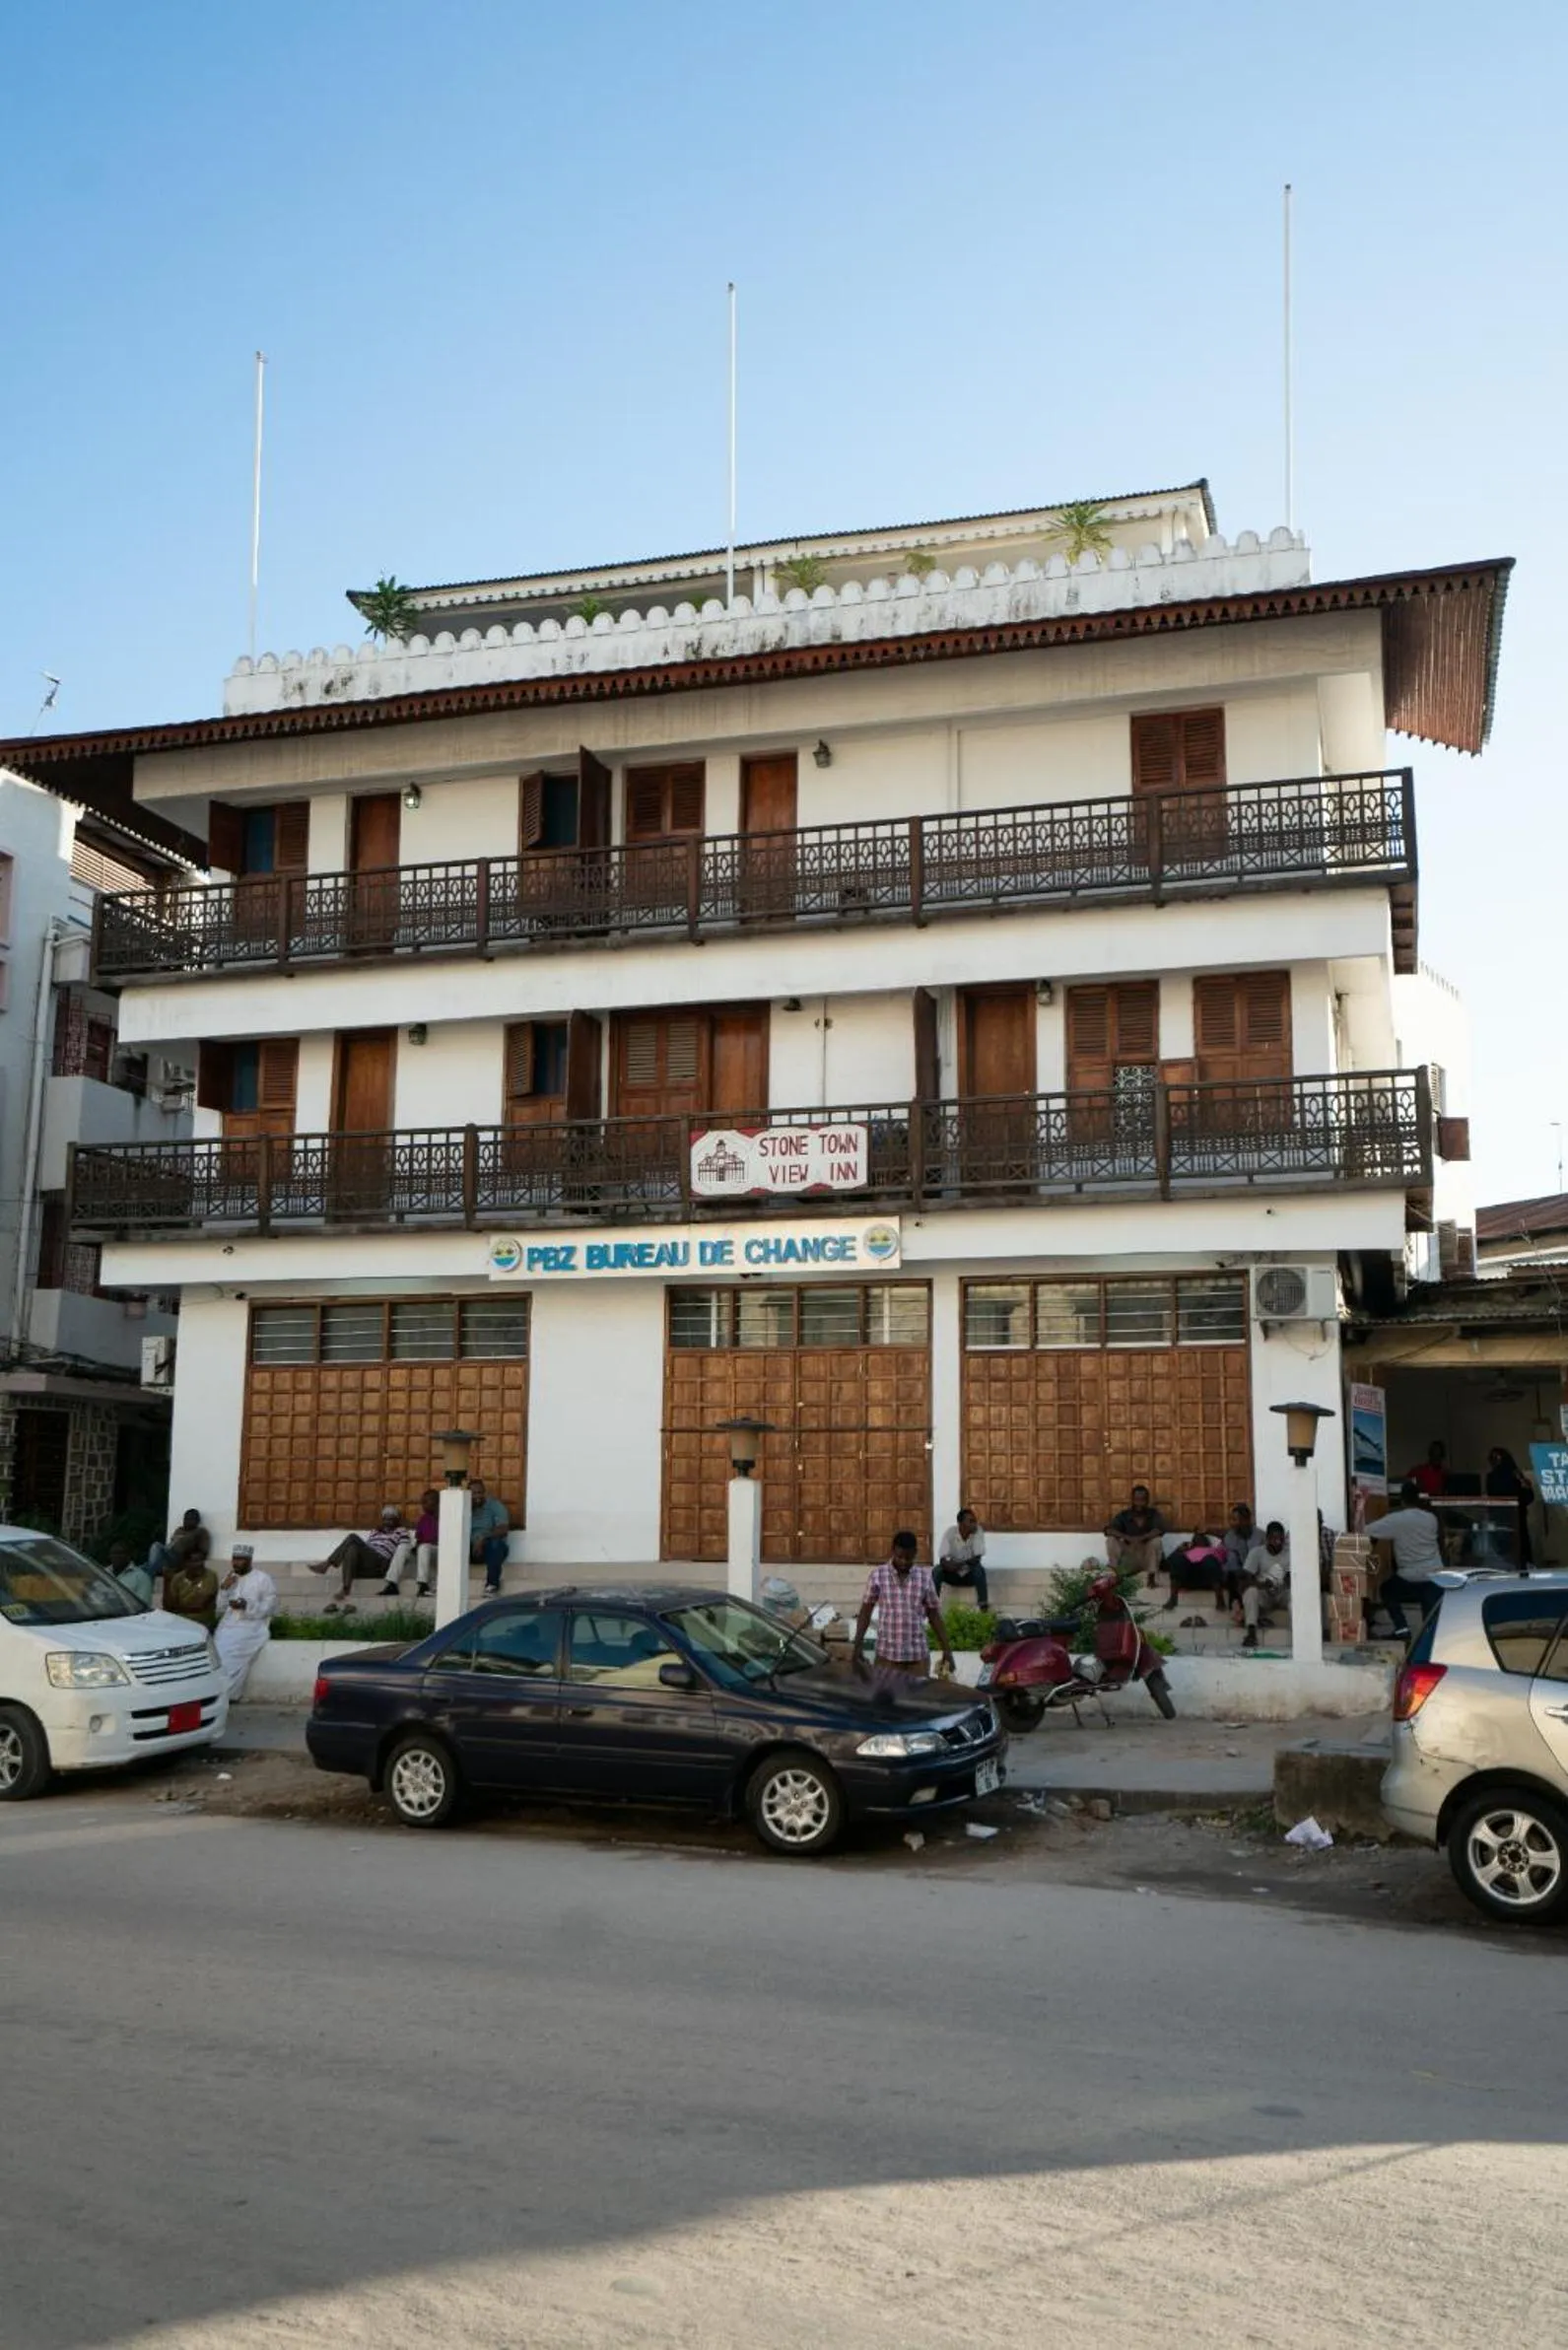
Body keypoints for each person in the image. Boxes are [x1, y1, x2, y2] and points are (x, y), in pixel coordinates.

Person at [852, 1532, 956, 1679]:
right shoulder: (878, 1576)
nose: (904, 1562)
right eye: (900, 1557)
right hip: (886, 1656)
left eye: (908, 1558)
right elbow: (865, 1612)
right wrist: (857, 1646)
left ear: (915, 1553)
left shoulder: (924, 1577)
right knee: (885, 1701)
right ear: (893, 1551)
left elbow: (934, 1616)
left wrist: (947, 1651)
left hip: (917, 1658)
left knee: (916, 1701)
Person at [1369, 1483, 1446, 1635]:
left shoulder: (1396, 1519)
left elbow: (1367, 1530)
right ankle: (1429, 1638)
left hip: (1409, 1578)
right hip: (1434, 1576)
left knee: (1386, 1590)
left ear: (1402, 1500)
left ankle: (1402, 1628)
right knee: (1430, 1616)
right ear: (1418, 1499)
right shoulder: (1431, 1518)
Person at [312, 1507, 412, 1613]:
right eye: (386, 1519)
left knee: (352, 1537)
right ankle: (346, 1587)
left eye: (391, 1519)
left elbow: (404, 1549)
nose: (388, 1522)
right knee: (352, 1549)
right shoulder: (375, 1532)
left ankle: (327, 1564)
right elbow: (367, 1547)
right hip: (368, 1564)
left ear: (396, 1520)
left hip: (381, 1562)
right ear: (382, 1520)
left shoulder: (401, 1531)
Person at [214, 1546, 279, 1699]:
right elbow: (220, 1607)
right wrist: (224, 1589)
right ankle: (226, 1695)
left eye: (240, 1560)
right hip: (227, 1626)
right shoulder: (229, 1578)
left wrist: (247, 1606)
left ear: (249, 1561)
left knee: (232, 1658)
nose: (236, 1563)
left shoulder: (263, 1579)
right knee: (217, 1657)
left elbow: (269, 1607)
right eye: (234, 1559)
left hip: (252, 1626)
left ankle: (227, 1695)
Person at [1236, 1522, 1290, 1648]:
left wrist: (1284, 1582)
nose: (1277, 1542)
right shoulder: (1256, 1552)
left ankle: (1301, 1633)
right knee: (1250, 1592)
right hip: (1264, 1592)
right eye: (1273, 1538)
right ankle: (1251, 1633)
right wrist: (1262, 1585)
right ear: (1267, 1538)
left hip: (1283, 1592)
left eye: (1280, 1538)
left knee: (1296, 1595)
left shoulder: (1290, 1553)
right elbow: (1244, 1581)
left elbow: (1294, 1578)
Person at [1105, 1486, 1167, 1588]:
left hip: (1145, 1554)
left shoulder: (1153, 1514)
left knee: (1157, 1541)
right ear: (1132, 1500)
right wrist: (1128, 1537)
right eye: (1137, 1500)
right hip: (1129, 1554)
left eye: (1143, 1500)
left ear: (1147, 1501)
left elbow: (1159, 1530)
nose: (1139, 1504)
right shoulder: (1124, 1515)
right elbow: (1108, 1530)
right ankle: (1115, 1575)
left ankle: (1151, 1579)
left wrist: (1141, 1538)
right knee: (1111, 1540)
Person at [1485, 1446, 1536, 1567]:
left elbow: (1528, 1496)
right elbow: (1528, 1497)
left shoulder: (1497, 1477)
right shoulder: (1514, 1475)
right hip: (1514, 1520)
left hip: (1506, 1521)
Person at [934, 1507, 989, 1611]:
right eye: (971, 1521)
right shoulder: (950, 1533)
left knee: (979, 1570)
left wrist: (957, 1564)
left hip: (969, 1575)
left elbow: (976, 1559)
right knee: (937, 1570)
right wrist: (950, 1566)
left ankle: (983, 1606)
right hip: (953, 1574)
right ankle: (932, 1605)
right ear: (960, 1523)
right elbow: (942, 1560)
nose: (974, 1524)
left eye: (975, 1521)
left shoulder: (978, 1531)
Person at [1163, 1526, 1229, 1612]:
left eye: (1202, 1538)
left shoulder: (1214, 1550)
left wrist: (1210, 1531)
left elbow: (1225, 1551)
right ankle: (1173, 1598)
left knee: (1210, 1561)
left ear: (1208, 1542)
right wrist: (1180, 1550)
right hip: (1189, 1579)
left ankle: (1220, 1600)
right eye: (1197, 1538)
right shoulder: (1186, 1552)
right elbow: (1168, 1562)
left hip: (1208, 1579)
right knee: (1178, 1559)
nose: (1199, 1539)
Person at [466, 1480, 511, 1595]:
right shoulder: (463, 1507)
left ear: (484, 1493)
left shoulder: (495, 1506)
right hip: (468, 1549)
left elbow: (503, 1528)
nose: (477, 1496)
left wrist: (483, 1539)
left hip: (489, 1548)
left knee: (496, 1544)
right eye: (473, 1494)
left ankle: (492, 1585)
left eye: (480, 1493)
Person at [163, 1544, 220, 1630]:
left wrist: (176, 1608)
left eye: (202, 1560)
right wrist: (167, 1581)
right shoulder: (178, 1578)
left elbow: (199, 1606)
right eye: (195, 1561)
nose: (200, 1564)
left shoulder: (210, 1576)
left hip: (202, 1624)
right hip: (179, 1621)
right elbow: (168, 1605)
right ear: (185, 1563)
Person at [147, 1508, 210, 1583]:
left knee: (156, 1545)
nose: (186, 1521)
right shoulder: (179, 1530)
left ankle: (149, 1581)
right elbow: (171, 1545)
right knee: (146, 1564)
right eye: (185, 1519)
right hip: (169, 1555)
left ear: (197, 1521)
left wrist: (191, 1556)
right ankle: (148, 1575)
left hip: (182, 1557)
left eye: (190, 1519)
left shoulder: (200, 1532)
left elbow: (204, 1551)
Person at [410, 1488, 441, 1597]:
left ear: (436, 1502)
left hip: (445, 1552)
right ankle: (423, 1584)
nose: (423, 1505)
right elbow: (419, 1539)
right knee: (423, 1548)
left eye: (425, 1502)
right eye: (422, 1502)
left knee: (425, 1547)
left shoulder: (447, 1516)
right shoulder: (423, 1519)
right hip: (430, 1552)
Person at [107, 1540, 154, 1608]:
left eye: (120, 1553)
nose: (116, 1556)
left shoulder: (142, 1577)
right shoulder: (102, 1573)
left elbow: (142, 1606)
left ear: (129, 1555)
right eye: (114, 1553)